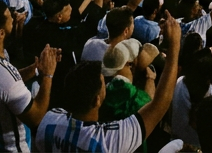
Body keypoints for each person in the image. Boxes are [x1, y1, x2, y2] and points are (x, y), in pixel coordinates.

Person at [35, 13, 182, 153]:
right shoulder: (109, 142)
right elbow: (160, 104)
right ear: (97, 100)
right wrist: (175, 45)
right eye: (103, 82)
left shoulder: (49, 121)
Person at [0, 0, 60, 151]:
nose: (15, 17)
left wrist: (36, 68)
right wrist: (48, 75)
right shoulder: (4, 75)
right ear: (1, 33)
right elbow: (36, 117)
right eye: (10, 17)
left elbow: (0, 85)